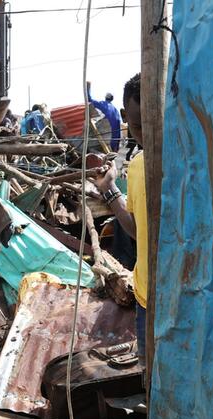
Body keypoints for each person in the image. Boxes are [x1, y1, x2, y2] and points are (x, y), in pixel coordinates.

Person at [94, 73, 148, 359]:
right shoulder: (138, 166)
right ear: (127, 117)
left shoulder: (191, 164)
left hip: (174, 299)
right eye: (139, 126)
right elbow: (138, 230)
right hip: (147, 296)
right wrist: (110, 189)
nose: (147, 133)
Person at [86, 81, 122, 152]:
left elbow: (89, 99)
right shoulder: (116, 111)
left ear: (106, 98)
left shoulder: (103, 104)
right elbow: (118, 128)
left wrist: (88, 88)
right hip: (113, 141)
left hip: (106, 139)